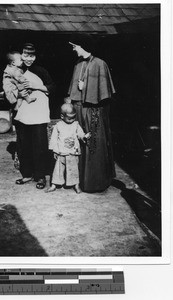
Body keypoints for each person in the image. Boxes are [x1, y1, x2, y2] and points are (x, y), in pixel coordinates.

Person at [67, 33, 116, 193]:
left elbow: (103, 93)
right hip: (79, 110)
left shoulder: (100, 64)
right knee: (79, 143)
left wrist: (86, 87)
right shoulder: (77, 64)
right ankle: (79, 181)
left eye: (75, 46)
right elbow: (73, 91)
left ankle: (94, 182)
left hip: (93, 111)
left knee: (93, 144)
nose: (73, 49)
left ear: (82, 46)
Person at [3, 43, 55, 189]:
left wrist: (35, 85)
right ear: (20, 56)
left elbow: (52, 87)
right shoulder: (14, 71)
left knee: (40, 145)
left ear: (35, 56)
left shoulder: (41, 71)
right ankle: (27, 174)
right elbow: (6, 90)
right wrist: (18, 94)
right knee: (23, 145)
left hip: (38, 113)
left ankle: (40, 176)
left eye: (31, 56)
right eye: (25, 55)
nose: (28, 59)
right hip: (22, 113)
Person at [47, 103, 91, 194]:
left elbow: (80, 134)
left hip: (72, 152)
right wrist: (54, 151)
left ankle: (76, 185)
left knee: (73, 169)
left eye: (74, 117)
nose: (72, 120)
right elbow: (54, 139)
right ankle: (54, 185)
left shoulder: (75, 124)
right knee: (58, 170)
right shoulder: (58, 125)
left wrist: (84, 136)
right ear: (62, 116)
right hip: (61, 152)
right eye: (69, 118)